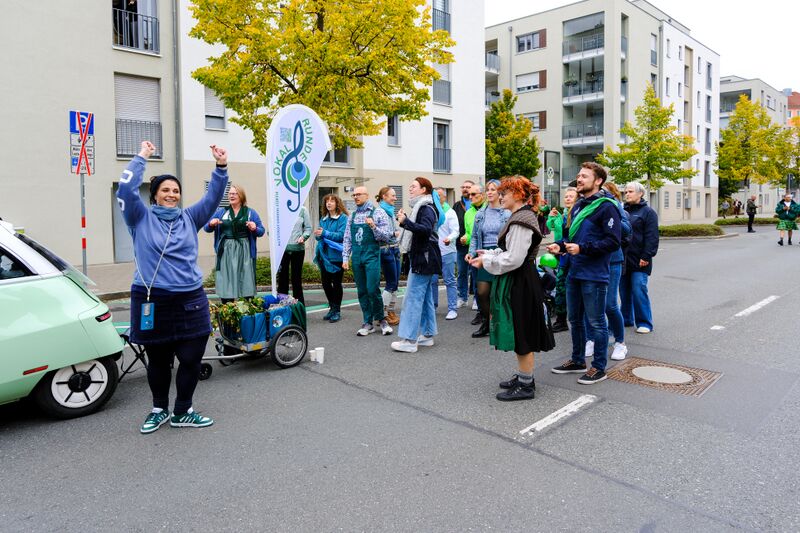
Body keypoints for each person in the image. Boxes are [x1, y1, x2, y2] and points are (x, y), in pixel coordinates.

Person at [117, 141, 228, 433]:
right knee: (158, 359)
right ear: (154, 195)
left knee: (191, 358)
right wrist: (141, 156)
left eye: (175, 191)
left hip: (190, 298)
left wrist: (220, 167)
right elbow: (126, 191)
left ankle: (183, 410)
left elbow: (214, 198)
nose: (171, 194)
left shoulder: (189, 218)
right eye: (165, 190)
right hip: (152, 298)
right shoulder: (139, 217)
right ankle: (158, 409)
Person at [470, 176, 555, 401]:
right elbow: (512, 252)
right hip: (520, 279)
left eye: (504, 193)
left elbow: (515, 259)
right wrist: (488, 254)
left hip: (521, 281)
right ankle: (524, 377)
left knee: (522, 332)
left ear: (517, 195)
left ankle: (526, 385)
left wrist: (486, 262)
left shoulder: (521, 220)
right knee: (520, 330)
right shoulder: (521, 216)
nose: (500, 196)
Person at [548, 162, 621, 385]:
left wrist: (583, 249)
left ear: (597, 181)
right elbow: (571, 237)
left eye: (584, 176)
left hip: (594, 274)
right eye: (578, 176)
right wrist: (559, 245)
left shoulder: (606, 206)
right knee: (574, 320)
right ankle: (578, 360)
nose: (579, 179)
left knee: (597, 322)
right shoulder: (578, 206)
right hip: (574, 271)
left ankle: (599, 367)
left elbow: (613, 241)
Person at [391, 177, 443, 353]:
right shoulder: (425, 207)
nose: (410, 189)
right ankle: (427, 335)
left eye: (413, 186)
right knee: (426, 297)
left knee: (412, 298)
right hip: (427, 258)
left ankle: (409, 340)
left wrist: (406, 222)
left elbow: (426, 230)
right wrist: (406, 222)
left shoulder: (425, 207)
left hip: (424, 258)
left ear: (424, 190)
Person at [583, 181, 631, 361]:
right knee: (590, 304)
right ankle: (591, 340)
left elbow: (626, 232)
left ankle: (620, 342)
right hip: (592, 259)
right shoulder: (586, 206)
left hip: (612, 261)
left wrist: (614, 212)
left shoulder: (617, 208)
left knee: (610, 304)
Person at [342, 186, 394, 336]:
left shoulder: (378, 212)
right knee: (362, 291)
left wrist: (373, 226)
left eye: (359, 194)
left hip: (371, 255)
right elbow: (347, 238)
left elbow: (386, 236)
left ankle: (382, 320)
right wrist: (345, 257)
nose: (356, 197)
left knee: (372, 289)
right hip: (357, 256)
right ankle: (367, 322)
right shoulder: (351, 216)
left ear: (367, 195)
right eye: (354, 195)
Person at [204, 184, 265, 303]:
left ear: (241, 196)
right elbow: (207, 228)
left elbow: (261, 231)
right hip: (226, 250)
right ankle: (228, 308)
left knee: (246, 277)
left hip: (244, 249)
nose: (231, 195)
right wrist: (211, 224)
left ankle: (248, 308)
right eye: (230, 193)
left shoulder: (250, 213)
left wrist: (254, 228)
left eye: (234, 193)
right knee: (227, 278)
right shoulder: (222, 212)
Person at [467, 179, 511, 338]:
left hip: (501, 255)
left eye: (493, 189)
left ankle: (500, 325)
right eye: (488, 189)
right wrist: (471, 253)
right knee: (482, 292)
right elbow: (474, 237)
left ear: (500, 192)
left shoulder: (507, 213)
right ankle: (487, 322)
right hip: (483, 256)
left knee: (498, 294)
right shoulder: (480, 214)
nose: (490, 192)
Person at [620, 181, 659, 334]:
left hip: (640, 260)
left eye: (630, 191)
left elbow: (652, 237)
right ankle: (627, 318)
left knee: (638, 289)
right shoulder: (622, 211)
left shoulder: (648, 212)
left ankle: (644, 322)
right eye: (625, 192)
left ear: (640, 193)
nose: (627, 194)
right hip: (624, 259)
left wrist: (646, 256)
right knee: (624, 291)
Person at [314, 194, 348, 322]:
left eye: (332, 201)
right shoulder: (323, 218)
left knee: (336, 283)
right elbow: (320, 235)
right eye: (326, 201)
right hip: (324, 255)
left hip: (337, 256)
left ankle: (336, 310)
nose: (329, 203)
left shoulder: (343, 218)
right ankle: (332, 307)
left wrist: (325, 233)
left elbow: (341, 236)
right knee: (326, 283)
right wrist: (318, 235)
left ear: (337, 203)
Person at [550, 187, 578, 332]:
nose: (567, 198)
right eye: (566, 196)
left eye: (570, 196)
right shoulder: (564, 215)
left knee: (571, 289)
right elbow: (553, 229)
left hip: (573, 257)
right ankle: (561, 320)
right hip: (563, 256)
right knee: (560, 287)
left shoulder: (577, 215)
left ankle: (575, 321)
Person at [432, 187, 459, 320]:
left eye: (439, 196)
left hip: (447, 251)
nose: (436, 198)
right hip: (433, 252)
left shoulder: (450, 213)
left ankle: (452, 308)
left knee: (449, 280)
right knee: (432, 281)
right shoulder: (432, 211)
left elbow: (456, 231)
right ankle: (433, 307)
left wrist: (450, 238)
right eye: (434, 196)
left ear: (444, 197)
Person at [376, 187, 401, 326]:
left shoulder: (390, 211)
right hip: (386, 250)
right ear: (384, 196)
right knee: (391, 283)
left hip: (394, 249)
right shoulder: (379, 212)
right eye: (393, 195)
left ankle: (391, 311)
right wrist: (393, 233)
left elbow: (394, 230)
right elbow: (377, 233)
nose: (395, 198)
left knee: (395, 284)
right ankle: (382, 314)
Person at [277, 204, 312, 304]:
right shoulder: (279, 208)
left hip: (298, 250)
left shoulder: (302, 210)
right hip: (282, 250)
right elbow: (272, 228)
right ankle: (282, 306)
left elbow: (308, 228)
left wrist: (304, 237)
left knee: (296, 279)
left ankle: (299, 307)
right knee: (282, 279)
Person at [462, 184, 485, 322]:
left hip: (488, 252)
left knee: (489, 285)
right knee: (477, 283)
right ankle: (481, 312)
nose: (470, 197)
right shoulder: (468, 213)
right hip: (474, 252)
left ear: (482, 195)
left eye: (473, 195)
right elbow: (472, 234)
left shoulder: (489, 210)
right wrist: (466, 238)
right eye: (469, 195)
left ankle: (490, 313)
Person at [453, 180, 475, 308]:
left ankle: (477, 299)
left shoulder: (477, 206)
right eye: (464, 187)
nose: (465, 189)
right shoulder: (457, 205)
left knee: (476, 272)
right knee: (462, 272)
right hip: (461, 246)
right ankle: (462, 297)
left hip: (475, 245)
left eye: (468, 187)